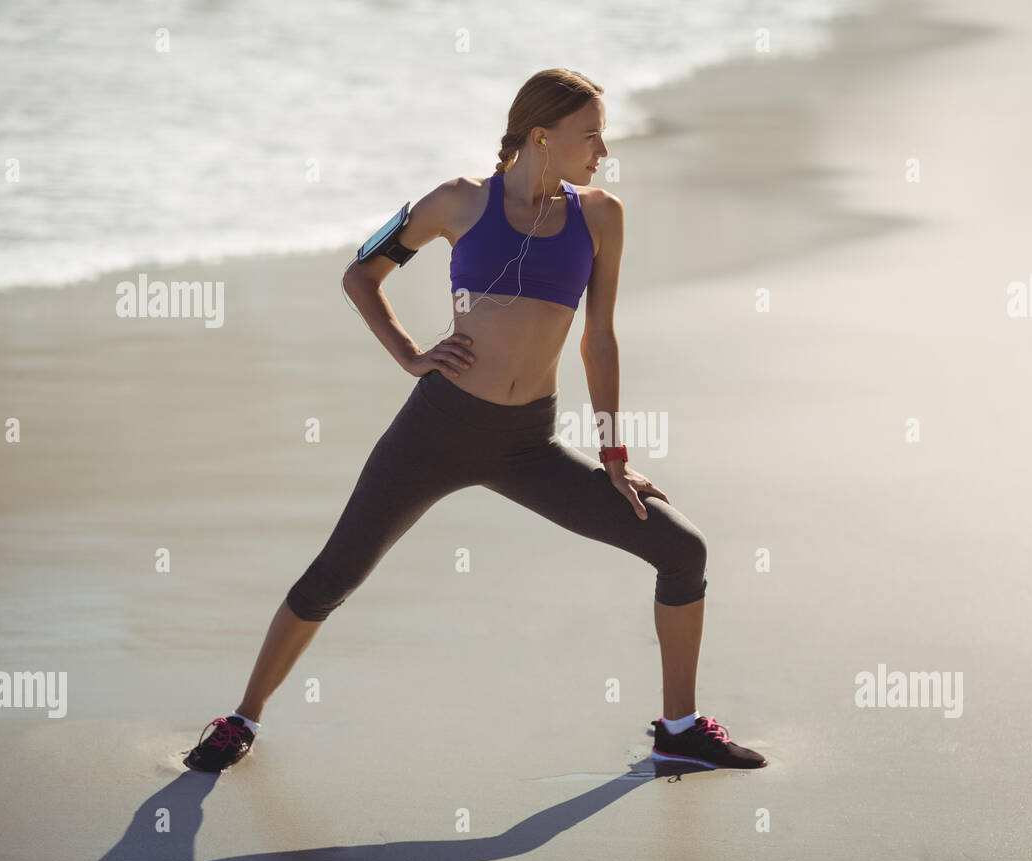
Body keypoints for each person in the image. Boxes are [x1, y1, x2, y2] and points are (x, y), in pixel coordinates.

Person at [184, 68, 766, 774]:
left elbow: (599, 338)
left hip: (530, 445)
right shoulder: (457, 203)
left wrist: (614, 456)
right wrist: (407, 353)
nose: (603, 151)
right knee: (333, 574)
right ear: (541, 137)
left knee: (682, 549)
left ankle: (677, 727)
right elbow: (360, 275)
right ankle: (241, 718)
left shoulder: (601, 216)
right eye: (591, 136)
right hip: (437, 429)